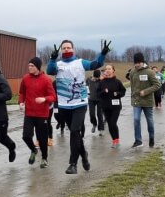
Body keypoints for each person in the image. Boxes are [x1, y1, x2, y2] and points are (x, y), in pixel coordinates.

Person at [46, 39, 111, 174]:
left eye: (69, 47)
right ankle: (84, 156)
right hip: (64, 105)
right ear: (61, 50)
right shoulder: (57, 65)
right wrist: (52, 58)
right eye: (63, 48)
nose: (66, 50)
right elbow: (49, 70)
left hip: (79, 103)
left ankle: (73, 164)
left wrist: (103, 54)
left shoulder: (80, 63)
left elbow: (96, 64)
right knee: (75, 134)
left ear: (73, 49)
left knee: (75, 131)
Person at [18, 57, 56, 168]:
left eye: (32, 66)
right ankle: (33, 150)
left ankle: (44, 158)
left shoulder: (46, 79)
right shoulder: (25, 78)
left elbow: (53, 96)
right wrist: (21, 102)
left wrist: (44, 99)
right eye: (29, 65)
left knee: (42, 139)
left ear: (38, 67)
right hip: (29, 113)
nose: (29, 67)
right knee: (26, 136)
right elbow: (21, 93)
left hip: (42, 114)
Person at [129, 53, 161, 148]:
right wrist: (133, 95)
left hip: (147, 101)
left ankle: (151, 138)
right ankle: (138, 141)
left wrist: (146, 91)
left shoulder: (150, 72)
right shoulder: (132, 72)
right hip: (136, 101)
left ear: (142, 62)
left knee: (149, 121)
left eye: (138, 62)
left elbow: (157, 85)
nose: (137, 65)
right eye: (135, 63)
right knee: (136, 119)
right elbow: (132, 85)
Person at [98, 64, 126, 148]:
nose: (107, 70)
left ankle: (117, 140)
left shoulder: (117, 81)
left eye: (109, 69)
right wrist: (103, 91)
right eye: (106, 69)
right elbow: (97, 93)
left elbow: (123, 91)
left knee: (113, 123)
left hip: (116, 106)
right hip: (106, 106)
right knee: (110, 124)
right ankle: (114, 141)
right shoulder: (102, 82)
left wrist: (117, 93)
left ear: (113, 70)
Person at [86, 69, 105, 136]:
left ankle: (101, 129)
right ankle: (94, 124)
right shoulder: (89, 80)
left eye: (98, 77)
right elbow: (86, 86)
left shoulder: (101, 81)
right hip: (91, 99)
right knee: (92, 114)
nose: (96, 78)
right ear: (93, 75)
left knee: (99, 114)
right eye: (95, 77)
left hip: (100, 100)